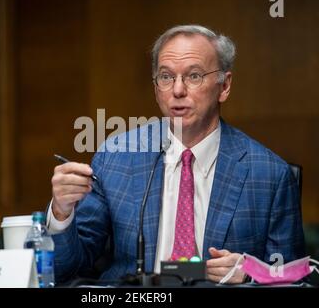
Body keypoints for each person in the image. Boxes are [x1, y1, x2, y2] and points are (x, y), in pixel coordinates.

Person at [47, 24, 305, 284]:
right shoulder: (116, 159)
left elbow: (289, 277)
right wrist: (62, 212)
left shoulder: (270, 174)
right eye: (166, 77)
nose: (178, 90)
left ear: (224, 86)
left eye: (194, 76)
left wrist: (251, 273)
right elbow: (68, 269)